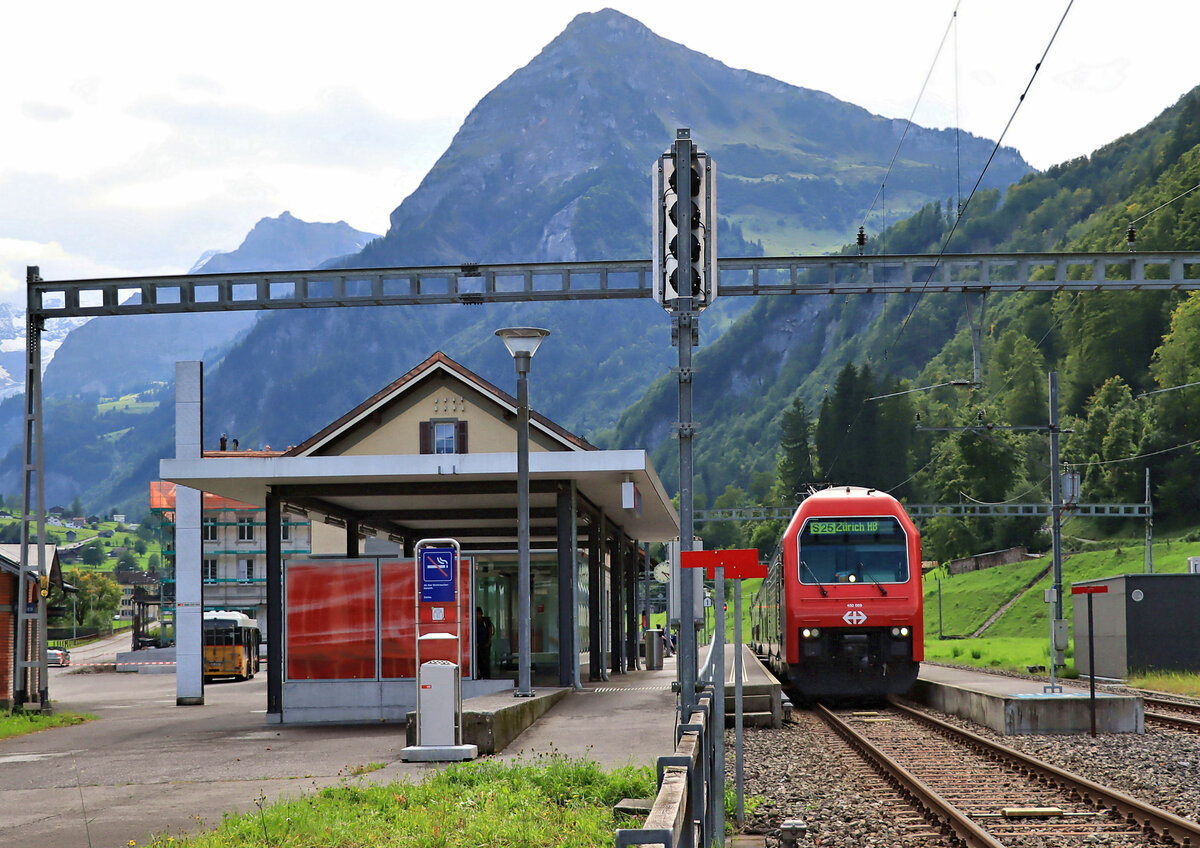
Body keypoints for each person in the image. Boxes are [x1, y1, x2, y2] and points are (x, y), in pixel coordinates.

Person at [475, 607, 494, 679]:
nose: (477, 616)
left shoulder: (485, 622)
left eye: (478, 614)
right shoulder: (473, 622)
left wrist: (488, 642)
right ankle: (478, 675)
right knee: (478, 661)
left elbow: (490, 632)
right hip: (477, 646)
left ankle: (486, 676)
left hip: (485, 645)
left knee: (485, 661)